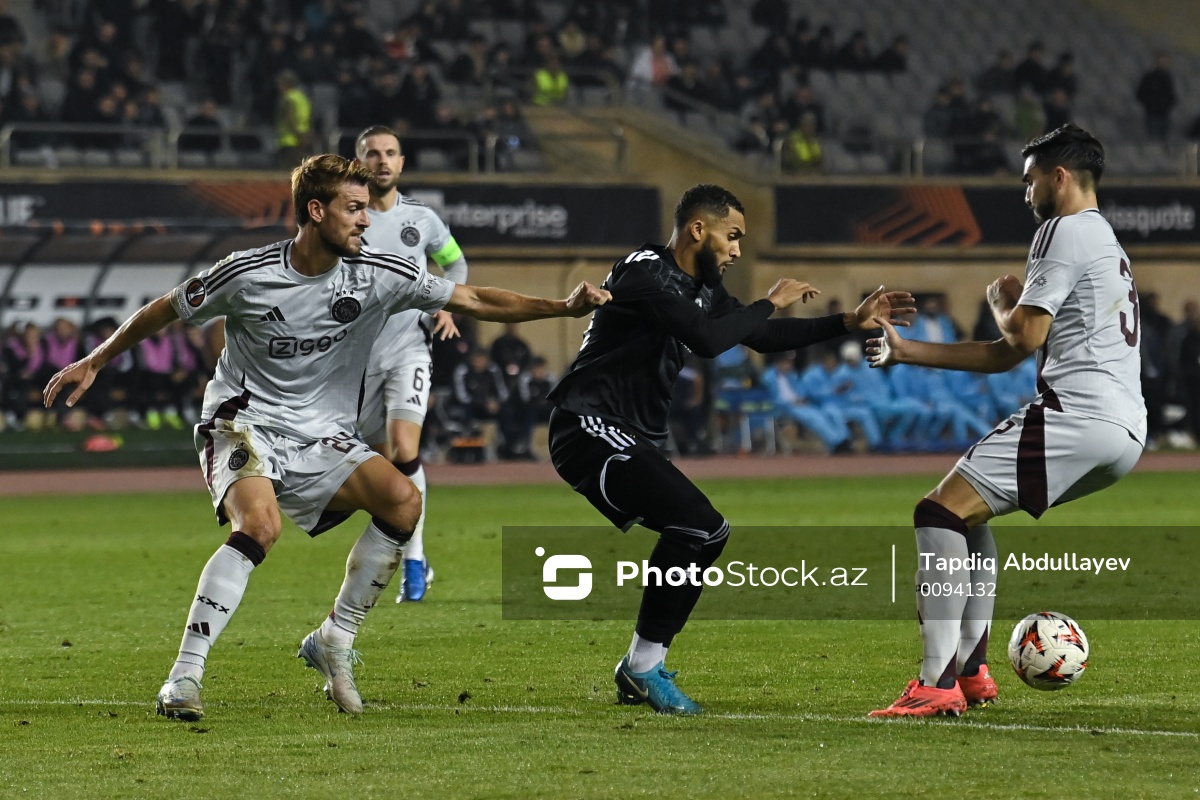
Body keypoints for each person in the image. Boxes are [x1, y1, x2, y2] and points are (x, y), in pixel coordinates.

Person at [43, 154, 609, 722]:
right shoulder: (247, 273)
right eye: (354, 208)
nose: (366, 221)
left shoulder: (379, 273)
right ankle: (183, 678)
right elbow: (166, 308)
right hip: (242, 420)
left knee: (402, 499)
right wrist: (94, 361)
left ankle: (335, 637)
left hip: (319, 433)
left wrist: (561, 308)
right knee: (260, 527)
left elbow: (475, 299)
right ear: (316, 211)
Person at [546, 184, 914, 714]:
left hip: (630, 433)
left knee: (707, 532)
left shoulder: (700, 290)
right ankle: (643, 668)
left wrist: (844, 323)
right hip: (587, 424)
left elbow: (757, 337)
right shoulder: (641, 269)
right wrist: (771, 297)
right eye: (733, 236)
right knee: (696, 520)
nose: (738, 249)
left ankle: (640, 665)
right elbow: (708, 340)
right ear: (699, 229)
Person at [865, 124, 1145, 717]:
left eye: (1029, 179)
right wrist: (908, 352)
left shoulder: (1061, 229)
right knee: (965, 516)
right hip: (1123, 431)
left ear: (1059, 177)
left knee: (937, 511)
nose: (1025, 193)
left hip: (1078, 412)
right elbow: (1002, 356)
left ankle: (936, 682)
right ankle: (970, 674)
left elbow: (1021, 336)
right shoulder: (1107, 242)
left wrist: (1001, 299)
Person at [354, 125, 470, 603]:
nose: (382, 161)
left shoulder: (421, 220)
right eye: (372, 154)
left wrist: (446, 304)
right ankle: (411, 553)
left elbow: (456, 264)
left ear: (401, 163)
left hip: (407, 350)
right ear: (358, 163)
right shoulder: (346, 217)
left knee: (405, 451)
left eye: (390, 153)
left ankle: (415, 560)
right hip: (355, 361)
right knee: (384, 469)